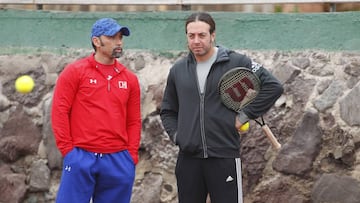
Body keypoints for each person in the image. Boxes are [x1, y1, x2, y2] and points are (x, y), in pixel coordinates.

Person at [160, 12, 283, 203]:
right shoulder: (178, 70)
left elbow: (273, 86)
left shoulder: (237, 62)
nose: (196, 41)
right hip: (188, 159)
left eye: (202, 35)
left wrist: (244, 116)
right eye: (191, 36)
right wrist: (178, 136)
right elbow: (168, 110)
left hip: (224, 156)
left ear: (213, 35)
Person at [51, 18, 141, 203]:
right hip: (81, 157)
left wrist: (130, 156)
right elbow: (59, 112)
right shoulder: (75, 71)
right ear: (96, 41)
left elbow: (133, 121)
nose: (119, 42)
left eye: (120, 37)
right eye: (112, 37)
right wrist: (68, 151)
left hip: (118, 160)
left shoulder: (129, 79)